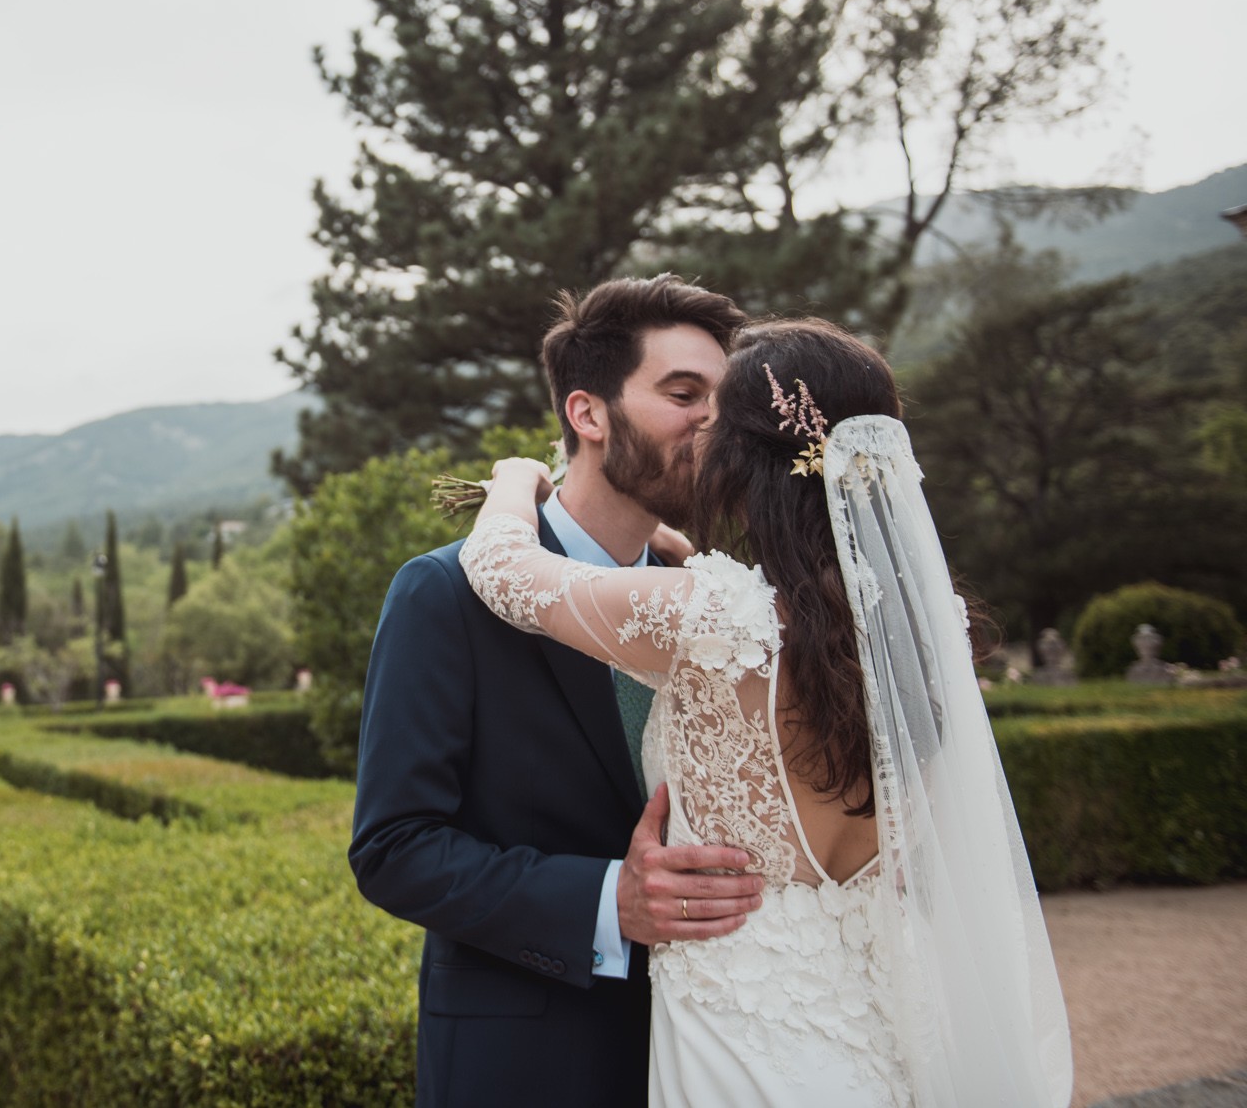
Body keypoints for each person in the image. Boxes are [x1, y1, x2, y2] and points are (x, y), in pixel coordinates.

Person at [459, 318, 1073, 1106]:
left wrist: (514, 479)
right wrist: (683, 553)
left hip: (740, 1029)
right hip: (878, 1026)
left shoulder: (717, 619)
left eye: (713, 423)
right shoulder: (920, 626)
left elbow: (502, 570)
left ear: (746, 460)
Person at [348, 275, 763, 1107]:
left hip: (721, 1048)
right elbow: (393, 847)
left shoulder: (725, 600)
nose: (711, 422)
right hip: (531, 1065)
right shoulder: (445, 595)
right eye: (683, 394)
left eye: (724, 398)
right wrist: (611, 899)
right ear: (589, 413)